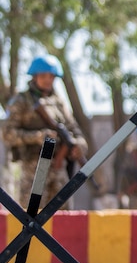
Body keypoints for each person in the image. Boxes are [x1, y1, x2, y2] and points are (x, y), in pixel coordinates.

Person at [2, 55, 88, 210]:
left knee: (64, 218)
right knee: (30, 219)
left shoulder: (59, 102)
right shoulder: (21, 101)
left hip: (58, 167)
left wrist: (79, 145)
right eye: (43, 76)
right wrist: (37, 137)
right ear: (34, 76)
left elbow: (74, 130)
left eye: (51, 77)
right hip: (33, 169)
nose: (48, 80)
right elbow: (7, 134)